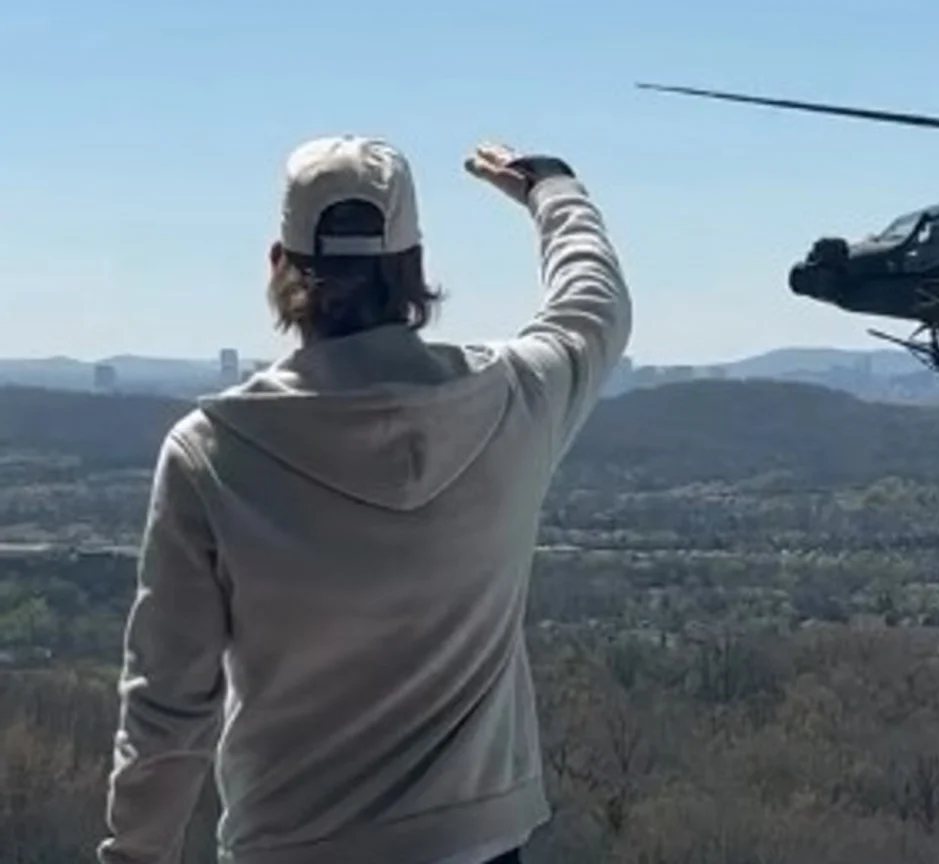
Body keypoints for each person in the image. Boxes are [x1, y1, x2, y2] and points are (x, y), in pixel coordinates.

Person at [97, 135, 633, 864]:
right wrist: (554, 193)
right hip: (474, 841)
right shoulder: (510, 401)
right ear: (415, 267)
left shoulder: (214, 453)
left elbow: (166, 704)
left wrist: (137, 852)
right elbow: (593, 306)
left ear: (279, 264)